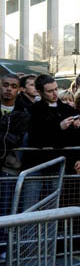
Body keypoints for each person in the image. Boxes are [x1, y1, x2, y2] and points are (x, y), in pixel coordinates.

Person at [0, 74, 30, 221]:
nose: (8, 89)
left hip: (8, 167)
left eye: (13, 87)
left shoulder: (23, 113)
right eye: (5, 85)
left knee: (5, 209)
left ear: (19, 90)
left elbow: (15, 139)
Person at [29, 75, 80, 148]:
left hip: (68, 154)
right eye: (50, 91)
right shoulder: (34, 110)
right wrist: (59, 127)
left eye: (56, 89)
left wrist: (77, 125)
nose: (55, 93)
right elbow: (36, 137)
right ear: (39, 92)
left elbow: (77, 137)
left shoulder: (68, 108)